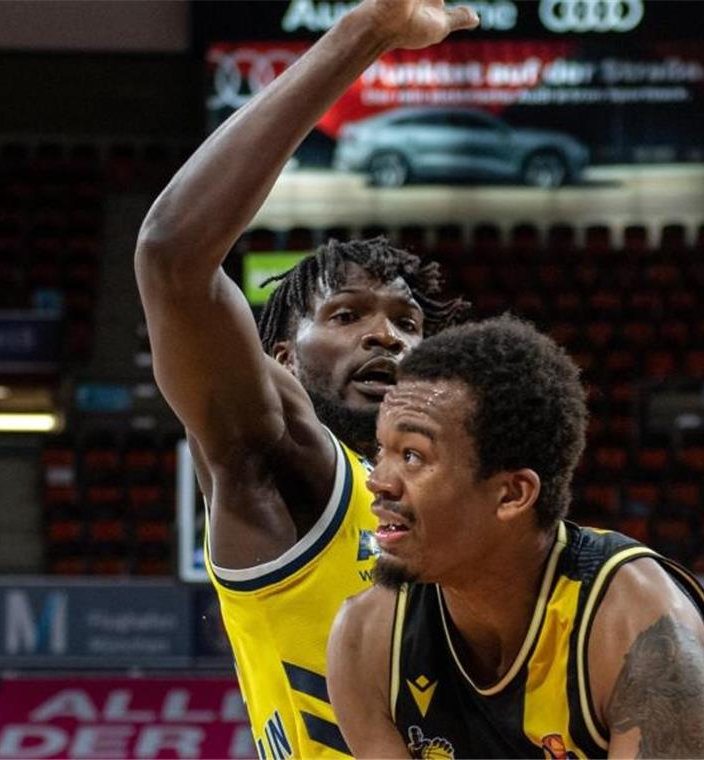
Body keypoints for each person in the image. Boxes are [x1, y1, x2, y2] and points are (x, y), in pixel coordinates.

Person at [134, 1, 478, 756]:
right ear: (282, 360)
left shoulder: (467, 521)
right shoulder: (293, 471)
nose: (386, 333)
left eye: (407, 322)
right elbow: (171, 258)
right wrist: (367, 34)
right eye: (348, 314)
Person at [326, 316, 704, 758]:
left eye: (413, 455)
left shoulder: (641, 629)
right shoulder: (365, 639)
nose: (378, 480)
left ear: (512, 494)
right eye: (382, 450)